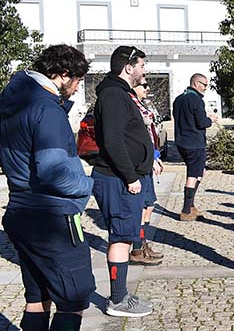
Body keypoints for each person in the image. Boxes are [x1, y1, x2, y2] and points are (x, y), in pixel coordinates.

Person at [0, 45, 96, 330]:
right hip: (53, 218)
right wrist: (89, 184)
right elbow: (54, 173)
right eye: (77, 80)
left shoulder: (15, 101)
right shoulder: (45, 110)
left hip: (20, 210)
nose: (78, 88)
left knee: (38, 296)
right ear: (64, 75)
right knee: (73, 300)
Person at [92, 46, 154, 316]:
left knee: (125, 237)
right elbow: (113, 141)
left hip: (125, 177)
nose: (144, 70)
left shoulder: (120, 93)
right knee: (120, 238)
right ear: (128, 67)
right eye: (141, 65)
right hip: (117, 179)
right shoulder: (115, 95)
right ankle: (117, 300)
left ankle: (121, 295)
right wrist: (130, 176)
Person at [128, 82, 164, 266]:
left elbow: (151, 135)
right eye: (143, 85)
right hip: (140, 164)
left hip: (148, 160)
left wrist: (155, 156)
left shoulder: (144, 106)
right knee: (142, 206)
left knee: (149, 205)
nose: (147, 88)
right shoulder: (131, 106)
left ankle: (142, 243)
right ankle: (136, 247)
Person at [172, 73, 217, 221]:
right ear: (196, 83)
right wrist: (210, 120)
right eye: (204, 85)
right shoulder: (196, 100)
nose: (205, 88)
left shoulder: (178, 100)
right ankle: (186, 210)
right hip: (195, 143)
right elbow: (201, 123)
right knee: (193, 175)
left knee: (199, 171)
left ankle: (190, 205)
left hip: (181, 142)